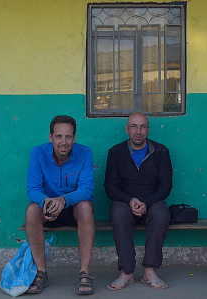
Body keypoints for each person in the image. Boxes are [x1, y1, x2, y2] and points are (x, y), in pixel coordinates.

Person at [25, 115, 95, 295]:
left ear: (74, 138)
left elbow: (86, 189)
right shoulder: (38, 153)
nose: (63, 142)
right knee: (32, 209)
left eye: (68, 137)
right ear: (50, 137)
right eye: (58, 136)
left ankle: (85, 272)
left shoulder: (85, 152)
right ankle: (41, 272)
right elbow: (33, 189)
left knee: (86, 206)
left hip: (74, 209)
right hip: (49, 208)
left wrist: (63, 200)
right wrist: (46, 202)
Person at [104, 112, 173, 291]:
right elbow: (110, 187)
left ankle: (149, 271)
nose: (138, 131)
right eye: (134, 126)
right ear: (127, 129)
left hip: (152, 202)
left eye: (142, 127)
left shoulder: (161, 151)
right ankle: (127, 272)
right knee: (118, 213)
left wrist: (146, 203)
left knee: (161, 213)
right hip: (124, 202)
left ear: (148, 130)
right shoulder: (116, 152)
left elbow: (165, 186)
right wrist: (130, 200)